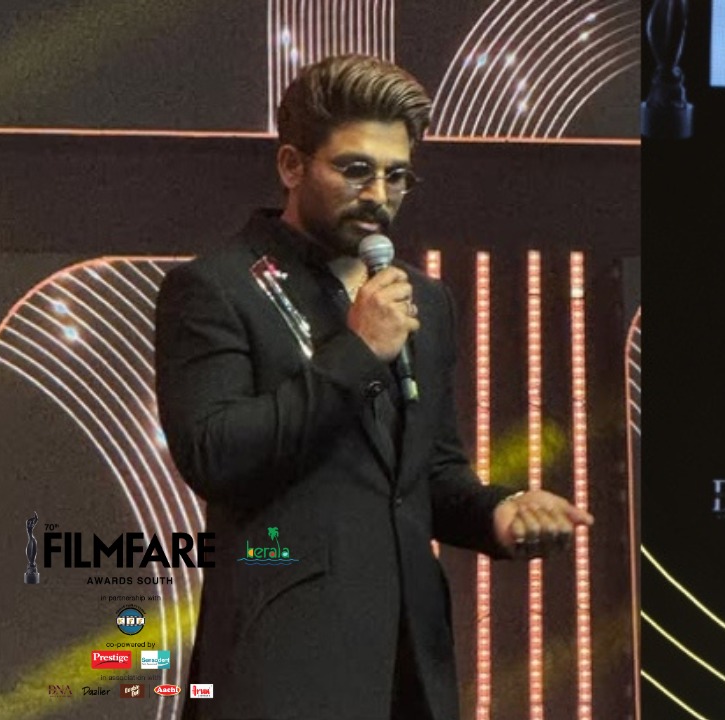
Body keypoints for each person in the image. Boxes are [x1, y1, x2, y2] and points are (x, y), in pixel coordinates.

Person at [155, 54, 594, 720]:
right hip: (284, 666)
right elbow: (214, 453)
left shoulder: (422, 300)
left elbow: (427, 473)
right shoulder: (218, 287)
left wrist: (496, 514)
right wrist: (357, 352)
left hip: (409, 665)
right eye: (356, 169)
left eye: (397, 175)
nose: (379, 195)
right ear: (292, 166)